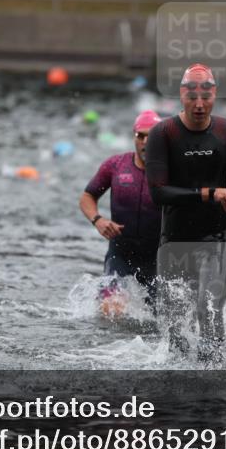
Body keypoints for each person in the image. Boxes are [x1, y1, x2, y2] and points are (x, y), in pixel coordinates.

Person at [146, 64, 226, 362]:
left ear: (214, 94)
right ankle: (180, 394)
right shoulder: (163, 133)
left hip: (217, 238)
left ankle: (215, 382)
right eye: (192, 96)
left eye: (205, 97)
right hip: (174, 241)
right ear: (182, 94)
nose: (199, 104)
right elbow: (158, 192)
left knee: (208, 310)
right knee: (176, 330)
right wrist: (211, 194)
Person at [80, 110, 163, 308]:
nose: (145, 141)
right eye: (140, 136)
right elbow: (87, 197)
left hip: (158, 259)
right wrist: (98, 220)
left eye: (151, 136)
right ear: (134, 136)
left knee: (161, 320)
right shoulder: (115, 166)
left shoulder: (172, 171)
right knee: (111, 309)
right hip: (121, 255)